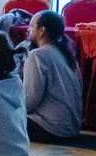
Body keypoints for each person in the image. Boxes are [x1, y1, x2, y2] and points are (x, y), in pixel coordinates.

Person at [24, 10, 82, 142]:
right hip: (71, 128)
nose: (28, 30)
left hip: (50, 128)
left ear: (42, 30)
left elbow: (30, 101)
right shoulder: (68, 55)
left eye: (31, 26)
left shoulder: (37, 55)